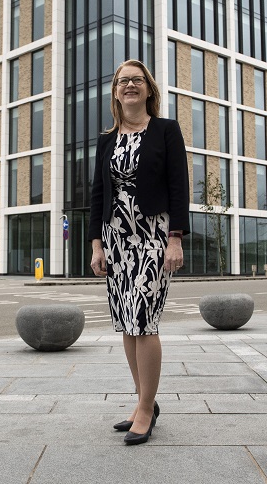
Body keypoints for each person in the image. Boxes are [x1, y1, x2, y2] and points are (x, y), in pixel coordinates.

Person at [88, 59, 190, 445]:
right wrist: (96, 243)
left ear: (149, 89)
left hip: (154, 235)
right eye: (122, 81)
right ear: (116, 92)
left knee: (144, 319)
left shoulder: (165, 130)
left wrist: (175, 238)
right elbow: (98, 194)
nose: (130, 85)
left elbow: (179, 184)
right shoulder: (106, 140)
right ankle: (143, 401)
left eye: (137, 80)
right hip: (117, 238)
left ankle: (146, 408)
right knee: (126, 322)